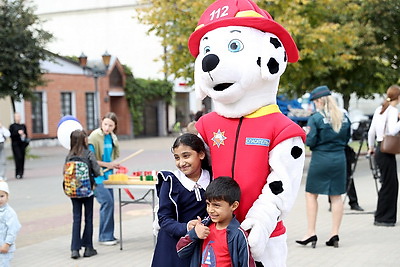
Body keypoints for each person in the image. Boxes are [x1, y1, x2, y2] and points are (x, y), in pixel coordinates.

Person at [296, 85, 351, 248]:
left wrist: (306, 136)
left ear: (320, 100)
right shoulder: (344, 116)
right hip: (339, 159)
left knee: (311, 194)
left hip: (321, 159)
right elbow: (348, 138)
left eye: (314, 101)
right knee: (336, 196)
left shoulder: (316, 118)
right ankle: (334, 234)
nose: (314, 105)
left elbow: (311, 141)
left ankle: (311, 232)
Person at [151, 133, 212, 267]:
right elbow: (164, 218)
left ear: (201, 154)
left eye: (186, 156)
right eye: (177, 158)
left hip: (202, 242)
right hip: (172, 245)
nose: (181, 162)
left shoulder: (212, 179)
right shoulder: (171, 181)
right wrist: (186, 227)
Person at [176, 176, 256, 267]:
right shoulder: (203, 227)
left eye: (216, 205)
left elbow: (247, 264)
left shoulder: (238, 235)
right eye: (208, 204)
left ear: (234, 206)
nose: (210, 210)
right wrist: (194, 234)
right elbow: (181, 252)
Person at [65, 129, 101, 259]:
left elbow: (65, 173)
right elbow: (97, 172)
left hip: (73, 192)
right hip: (87, 191)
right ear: (83, 140)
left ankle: (74, 249)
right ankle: (88, 248)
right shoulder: (89, 154)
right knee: (88, 218)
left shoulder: (69, 155)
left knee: (76, 219)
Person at [367, 84, 400, 227]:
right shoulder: (392, 111)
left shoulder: (379, 109)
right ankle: (385, 217)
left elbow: (371, 132)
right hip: (387, 150)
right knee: (391, 184)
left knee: (386, 183)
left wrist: (371, 147)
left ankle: (381, 215)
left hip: (380, 149)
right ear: (398, 97)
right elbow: (392, 131)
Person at [88, 112, 120, 245]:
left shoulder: (112, 137)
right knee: (107, 203)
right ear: (101, 122)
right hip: (97, 176)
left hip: (108, 176)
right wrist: (108, 164)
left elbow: (111, 156)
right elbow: (91, 159)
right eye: (105, 124)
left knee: (111, 204)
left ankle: (109, 235)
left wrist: (113, 165)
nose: (107, 127)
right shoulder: (94, 136)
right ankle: (104, 237)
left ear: (115, 126)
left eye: (110, 125)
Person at [0, 181, 21, 266]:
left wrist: (7, 243)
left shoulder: (10, 213)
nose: (0, 199)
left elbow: (13, 229)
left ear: (7, 197)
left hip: (4, 247)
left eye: (2, 196)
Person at [9, 113, 28, 179]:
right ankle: (17, 173)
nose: (18, 118)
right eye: (17, 116)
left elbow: (26, 134)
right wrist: (18, 133)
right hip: (15, 144)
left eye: (19, 116)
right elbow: (11, 135)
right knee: (18, 157)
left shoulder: (23, 126)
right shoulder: (12, 126)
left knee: (22, 158)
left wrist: (24, 136)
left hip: (22, 144)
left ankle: (21, 173)